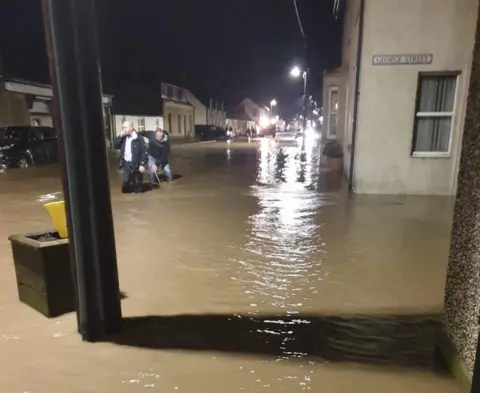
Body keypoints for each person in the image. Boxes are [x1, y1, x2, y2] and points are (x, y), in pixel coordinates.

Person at [114, 121, 148, 193]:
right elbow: (116, 146)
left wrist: (142, 164)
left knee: (138, 188)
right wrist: (120, 136)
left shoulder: (139, 139)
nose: (124, 129)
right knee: (126, 188)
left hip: (136, 164)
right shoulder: (123, 138)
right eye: (123, 127)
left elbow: (144, 152)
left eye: (125, 127)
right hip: (126, 163)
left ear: (131, 128)